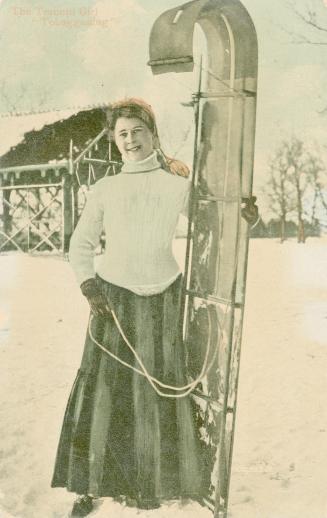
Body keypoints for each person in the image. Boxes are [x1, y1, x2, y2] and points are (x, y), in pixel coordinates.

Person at [51, 98, 259, 517]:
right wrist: (89, 285)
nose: (130, 140)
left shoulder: (177, 186)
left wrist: (246, 216)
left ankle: (161, 481)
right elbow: (81, 244)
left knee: (159, 385)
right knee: (107, 389)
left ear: (153, 135)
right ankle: (92, 484)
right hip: (113, 299)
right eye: (122, 134)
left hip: (164, 297)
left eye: (137, 132)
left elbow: (216, 225)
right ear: (115, 140)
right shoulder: (106, 188)